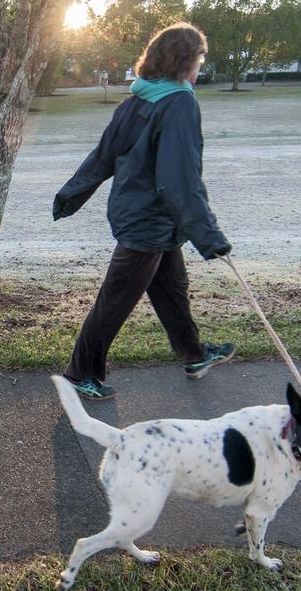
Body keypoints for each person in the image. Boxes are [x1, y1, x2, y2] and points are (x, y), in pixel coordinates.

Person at [52, 21, 234, 401]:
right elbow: (179, 178)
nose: (200, 67)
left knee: (172, 291)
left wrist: (71, 194)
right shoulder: (179, 102)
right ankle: (79, 373)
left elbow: (103, 156)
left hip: (151, 219)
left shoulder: (139, 98)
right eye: (199, 59)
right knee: (115, 300)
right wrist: (209, 236)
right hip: (148, 222)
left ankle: (195, 355)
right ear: (185, 62)